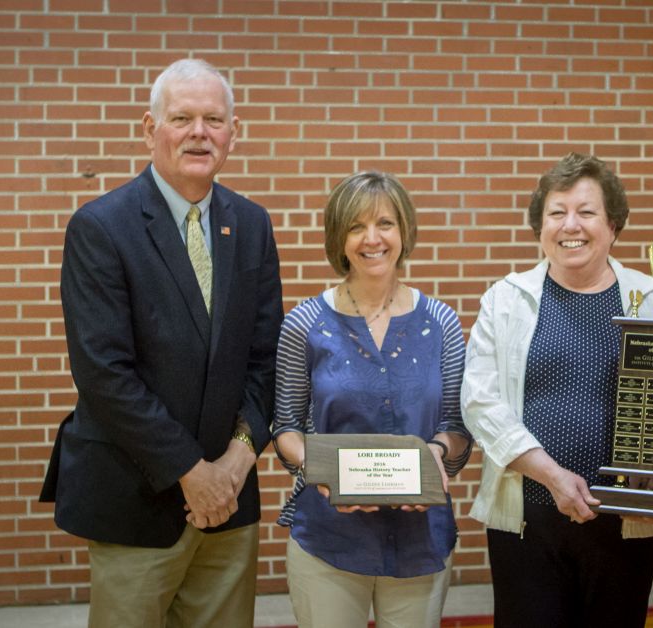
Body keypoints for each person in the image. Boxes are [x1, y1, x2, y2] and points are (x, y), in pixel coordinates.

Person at [39, 58, 283, 628]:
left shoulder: (252, 224)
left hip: (230, 503)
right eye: (182, 118)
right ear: (150, 128)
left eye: (214, 120)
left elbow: (266, 359)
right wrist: (193, 474)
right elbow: (104, 372)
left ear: (233, 131)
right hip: (135, 503)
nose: (200, 132)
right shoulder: (102, 227)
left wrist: (237, 460)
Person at [461, 153, 653, 628]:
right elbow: (480, 402)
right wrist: (553, 476)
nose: (570, 225)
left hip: (622, 521)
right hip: (527, 520)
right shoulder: (505, 298)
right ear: (540, 227)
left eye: (586, 212)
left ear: (613, 225)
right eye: (557, 212)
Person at [272, 171, 473, 628]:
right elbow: (285, 427)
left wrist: (434, 456)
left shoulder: (441, 322)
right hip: (328, 536)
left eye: (385, 223)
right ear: (338, 238)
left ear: (404, 231)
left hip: (420, 539)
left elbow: (456, 425)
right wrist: (322, 472)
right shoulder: (304, 323)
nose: (372, 239)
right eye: (356, 227)